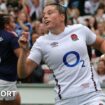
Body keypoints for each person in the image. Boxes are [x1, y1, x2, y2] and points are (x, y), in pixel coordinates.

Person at [18, 3, 105, 105]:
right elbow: (23, 73)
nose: (45, 16)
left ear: (62, 17)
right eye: (43, 14)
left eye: (49, 13)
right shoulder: (41, 43)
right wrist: (24, 51)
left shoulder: (80, 29)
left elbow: (100, 43)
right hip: (64, 100)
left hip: (91, 96)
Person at [0, 14, 21, 105]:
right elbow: (21, 56)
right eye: (12, 22)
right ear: (6, 25)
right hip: (6, 81)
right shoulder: (11, 37)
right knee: (14, 101)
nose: (15, 24)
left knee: (16, 98)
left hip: (5, 81)